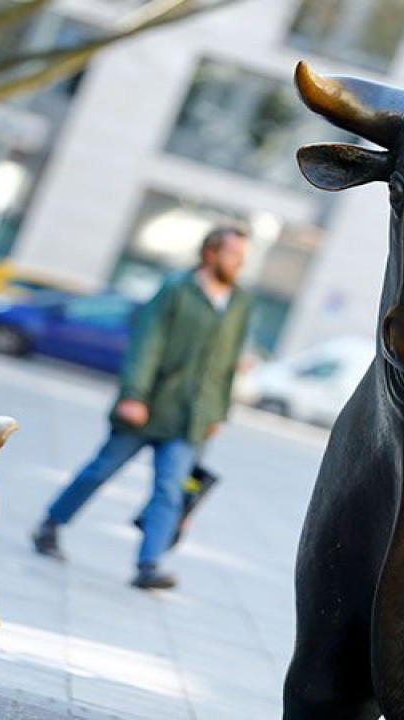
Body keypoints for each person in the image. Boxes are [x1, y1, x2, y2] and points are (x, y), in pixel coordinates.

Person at [31, 225, 253, 589]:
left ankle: (148, 565)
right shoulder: (176, 290)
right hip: (148, 407)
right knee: (100, 471)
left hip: (192, 418)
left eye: (244, 257)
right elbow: (145, 344)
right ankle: (51, 525)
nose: (239, 263)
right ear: (211, 253)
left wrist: (220, 412)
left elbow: (229, 362)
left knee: (169, 489)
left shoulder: (241, 301)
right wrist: (134, 395)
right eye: (233, 255)